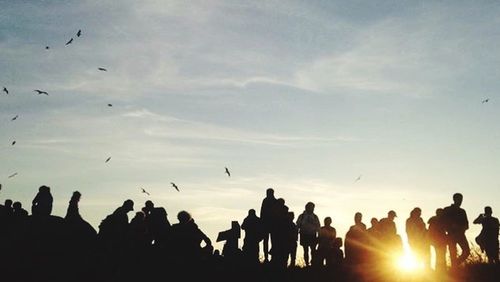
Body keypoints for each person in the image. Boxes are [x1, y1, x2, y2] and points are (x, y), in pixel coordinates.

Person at [443, 193, 470, 267]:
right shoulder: (447, 210)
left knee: (467, 251)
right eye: (459, 199)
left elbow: (467, 224)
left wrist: (462, 228)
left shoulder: (462, 211)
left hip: (461, 234)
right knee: (453, 253)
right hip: (451, 235)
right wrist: (451, 227)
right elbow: (443, 222)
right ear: (454, 199)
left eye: (461, 199)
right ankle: (454, 269)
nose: (460, 201)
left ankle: (455, 264)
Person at [296, 201, 320, 266]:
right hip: (304, 235)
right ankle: (307, 264)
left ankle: (313, 263)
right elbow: (298, 225)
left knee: (313, 251)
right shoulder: (302, 216)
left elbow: (318, 227)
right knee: (305, 250)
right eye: (311, 207)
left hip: (312, 235)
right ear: (307, 207)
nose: (312, 209)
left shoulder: (315, 217)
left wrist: (319, 236)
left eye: (312, 208)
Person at [259, 188, 277, 262]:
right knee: (267, 241)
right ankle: (267, 257)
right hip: (267, 224)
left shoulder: (272, 201)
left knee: (273, 241)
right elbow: (262, 212)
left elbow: (262, 213)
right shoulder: (266, 201)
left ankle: (271, 257)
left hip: (271, 224)